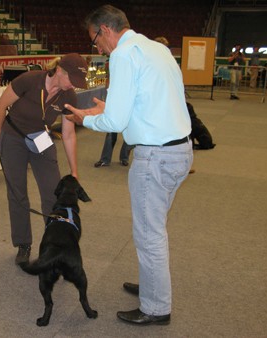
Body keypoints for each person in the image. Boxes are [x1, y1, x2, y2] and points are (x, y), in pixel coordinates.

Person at [64, 5, 193, 326]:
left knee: (149, 235)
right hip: (181, 150)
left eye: (94, 40)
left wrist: (86, 118)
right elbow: (149, 101)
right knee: (155, 228)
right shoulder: (156, 49)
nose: (97, 47)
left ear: (105, 30)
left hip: (155, 157)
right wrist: (109, 107)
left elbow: (116, 121)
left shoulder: (122, 55)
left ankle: (156, 307)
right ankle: (153, 284)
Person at [0, 53, 88, 265]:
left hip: (41, 140)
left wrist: (74, 171)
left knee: (53, 194)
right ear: (61, 71)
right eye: (72, 79)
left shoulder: (68, 96)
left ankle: (54, 246)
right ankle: (23, 244)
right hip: (13, 137)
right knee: (17, 193)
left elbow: (69, 134)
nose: (74, 85)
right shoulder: (30, 80)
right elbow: (1, 106)